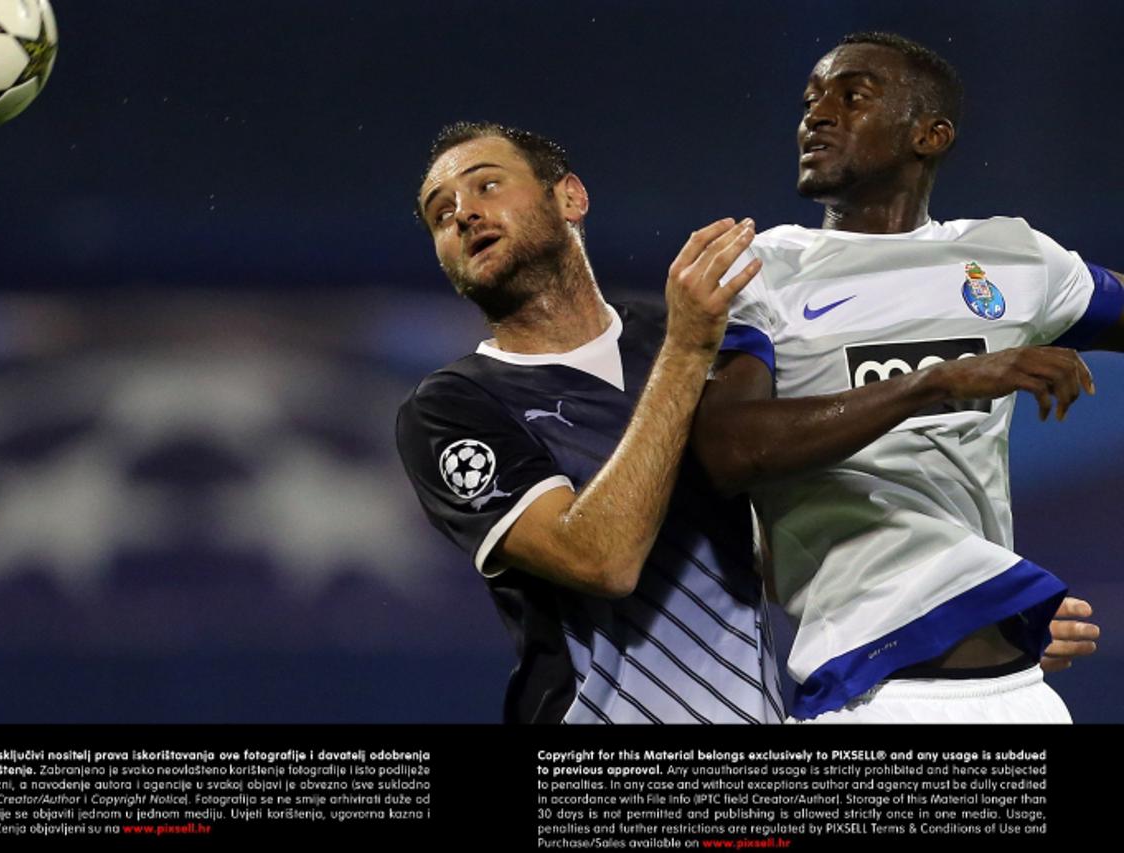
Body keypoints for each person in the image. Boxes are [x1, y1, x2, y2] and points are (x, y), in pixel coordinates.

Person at [693, 32, 1110, 723]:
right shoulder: (761, 268)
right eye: (809, 101)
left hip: (1024, 694)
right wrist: (938, 381)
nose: (816, 115)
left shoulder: (1012, 256)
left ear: (930, 134)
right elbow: (729, 451)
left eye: (851, 96)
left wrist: (995, 605)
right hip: (869, 693)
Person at [395, 121, 783, 723]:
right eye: (441, 215)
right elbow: (599, 559)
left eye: (487, 186)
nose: (465, 214)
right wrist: (686, 352)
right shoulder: (452, 408)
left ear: (570, 196)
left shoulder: (689, 334)